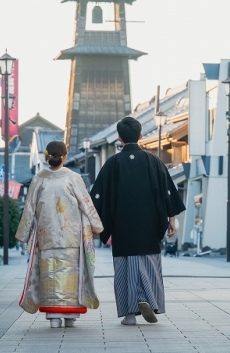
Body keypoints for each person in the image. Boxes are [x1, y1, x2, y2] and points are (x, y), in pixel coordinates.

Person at [91, 116, 186, 325]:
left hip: (122, 227)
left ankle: (129, 314)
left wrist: (95, 225)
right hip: (150, 225)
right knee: (149, 263)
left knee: (125, 267)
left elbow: (98, 196)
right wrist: (171, 219)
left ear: (119, 137)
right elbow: (168, 192)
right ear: (141, 135)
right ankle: (147, 299)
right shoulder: (154, 161)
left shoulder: (113, 163)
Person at [16, 140, 103, 328]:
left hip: (46, 237)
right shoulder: (73, 177)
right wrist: (97, 226)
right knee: (69, 273)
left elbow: (29, 208)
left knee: (50, 274)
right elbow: (86, 203)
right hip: (70, 235)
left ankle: (53, 316)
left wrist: (23, 234)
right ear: (66, 155)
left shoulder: (39, 178)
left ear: (46, 156)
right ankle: (70, 316)